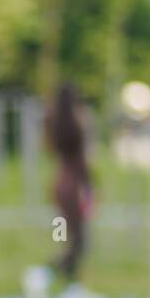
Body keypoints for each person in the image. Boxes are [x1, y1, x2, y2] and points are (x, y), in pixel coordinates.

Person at [45, 82, 93, 287]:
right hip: (74, 187)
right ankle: (54, 274)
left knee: (63, 234)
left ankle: (60, 275)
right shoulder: (79, 121)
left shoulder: (52, 121)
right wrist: (90, 187)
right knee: (79, 238)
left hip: (58, 183)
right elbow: (83, 161)